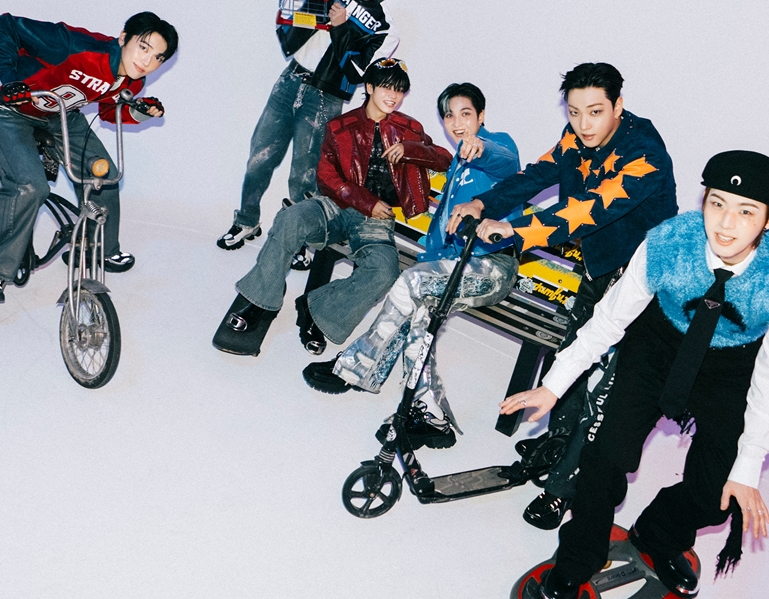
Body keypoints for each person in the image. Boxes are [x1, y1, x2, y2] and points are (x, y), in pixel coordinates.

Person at [503, 152, 769, 599]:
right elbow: (610, 319)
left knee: (718, 493)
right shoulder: (667, 243)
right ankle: (577, 557)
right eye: (717, 203)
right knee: (603, 459)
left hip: (730, 367)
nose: (726, 223)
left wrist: (749, 464)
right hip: (657, 345)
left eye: (746, 211)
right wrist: (555, 383)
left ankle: (659, 534)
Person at [447, 62, 677, 526]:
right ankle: (557, 442)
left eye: (595, 111)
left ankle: (562, 488)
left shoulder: (644, 154)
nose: (583, 124)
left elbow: (587, 211)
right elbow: (537, 175)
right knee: (570, 356)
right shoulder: (576, 138)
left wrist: (515, 229)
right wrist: (483, 203)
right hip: (601, 267)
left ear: (618, 106)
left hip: (646, 285)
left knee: (604, 391)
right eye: (574, 112)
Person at [301, 83, 523, 450]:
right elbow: (438, 242)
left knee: (411, 283)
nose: (457, 123)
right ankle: (430, 416)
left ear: (481, 117)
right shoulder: (456, 171)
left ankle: (357, 367)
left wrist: (482, 148)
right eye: (449, 116)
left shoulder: (497, 145)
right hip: (453, 267)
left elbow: (507, 162)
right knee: (422, 311)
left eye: (465, 114)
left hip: (492, 267)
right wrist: (427, 263)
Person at [212, 58, 450, 356]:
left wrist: (411, 148)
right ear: (369, 87)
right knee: (290, 218)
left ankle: (318, 310)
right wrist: (366, 201)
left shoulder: (409, 128)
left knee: (385, 270)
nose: (393, 95)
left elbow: (444, 159)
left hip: (375, 222)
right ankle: (261, 301)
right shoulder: (340, 126)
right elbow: (325, 176)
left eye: (399, 90)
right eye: (386, 87)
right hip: (335, 206)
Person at [217, 0, 406, 270]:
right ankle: (247, 220)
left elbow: (359, 73)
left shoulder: (385, 27)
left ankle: (302, 241)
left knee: (304, 177)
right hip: (290, 80)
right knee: (260, 156)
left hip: (326, 98)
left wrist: (341, 26)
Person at [0, 11, 178, 303]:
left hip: (59, 115)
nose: (147, 62)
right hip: (8, 110)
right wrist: (8, 80)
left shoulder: (132, 81)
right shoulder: (75, 46)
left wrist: (139, 111)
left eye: (158, 58)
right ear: (123, 38)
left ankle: (95, 249)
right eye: (143, 47)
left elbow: (108, 110)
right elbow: (5, 25)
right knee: (30, 185)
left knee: (104, 175)